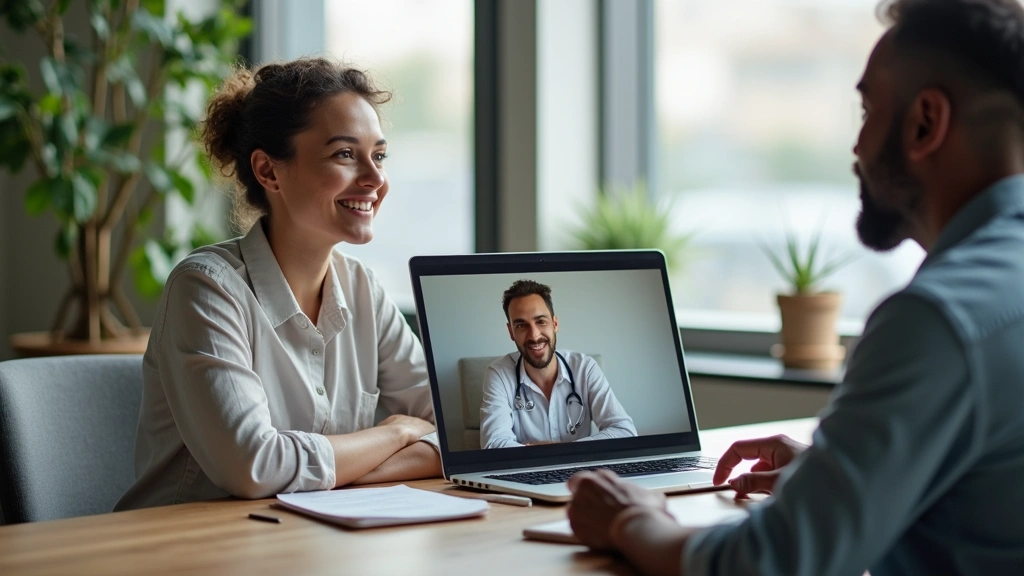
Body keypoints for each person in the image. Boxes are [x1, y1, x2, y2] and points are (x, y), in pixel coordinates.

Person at [566, 0, 1024, 574]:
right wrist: (841, 475)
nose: (855, 149)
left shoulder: (937, 319)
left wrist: (629, 520)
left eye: (866, 111)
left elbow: (769, 563)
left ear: (924, 123)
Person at [115, 58, 441, 511]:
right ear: (269, 171)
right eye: (345, 154)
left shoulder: (364, 289)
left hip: (310, 539)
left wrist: (332, 473)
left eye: (379, 155)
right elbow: (255, 467)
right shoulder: (207, 290)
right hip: (191, 549)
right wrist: (396, 432)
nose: (375, 179)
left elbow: (463, 431)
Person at [479, 280, 636, 448]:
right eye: (521, 325)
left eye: (541, 321)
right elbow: (493, 445)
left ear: (555, 324)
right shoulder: (499, 374)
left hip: (581, 470)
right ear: (511, 332)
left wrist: (559, 451)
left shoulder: (585, 368)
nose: (534, 335)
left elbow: (624, 431)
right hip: (530, 472)